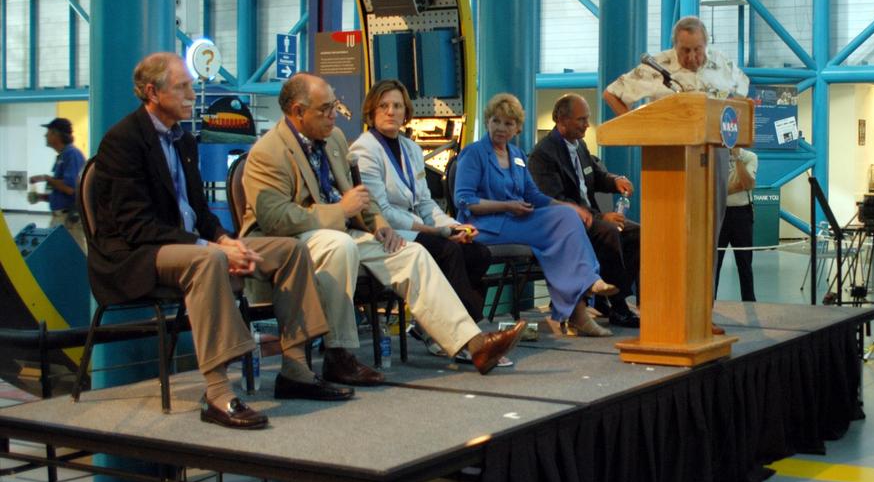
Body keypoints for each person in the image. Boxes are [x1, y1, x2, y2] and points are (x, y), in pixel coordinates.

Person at [91, 53, 341, 429]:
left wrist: (227, 240)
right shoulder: (123, 141)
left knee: (290, 250)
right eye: (182, 86)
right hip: (136, 255)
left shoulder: (184, 140)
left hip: (187, 244)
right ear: (151, 92)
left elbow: (202, 214)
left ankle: (295, 368)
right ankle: (218, 393)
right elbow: (136, 227)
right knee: (207, 262)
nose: (193, 93)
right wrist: (212, 249)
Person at [240, 73, 524, 376]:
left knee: (412, 253)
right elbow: (276, 219)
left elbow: (361, 194)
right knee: (342, 245)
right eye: (325, 109)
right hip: (293, 238)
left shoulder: (334, 138)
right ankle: (340, 354)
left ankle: (474, 344)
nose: (334, 115)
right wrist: (339, 211)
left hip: (345, 231)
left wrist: (378, 225)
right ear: (297, 111)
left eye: (334, 106)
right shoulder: (268, 152)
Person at [453, 93, 617, 337]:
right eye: (496, 121)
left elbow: (534, 196)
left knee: (566, 216)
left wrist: (567, 206)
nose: (500, 128)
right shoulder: (474, 153)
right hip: (485, 224)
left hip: (515, 219)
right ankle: (584, 292)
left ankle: (583, 299)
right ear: (488, 121)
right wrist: (507, 206)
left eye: (508, 123)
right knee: (557, 234)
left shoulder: (517, 156)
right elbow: (464, 199)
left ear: (517, 128)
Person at [603, 15, 749, 259]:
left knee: (709, 232)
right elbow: (612, 93)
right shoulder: (657, 67)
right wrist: (641, 129)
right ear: (675, 46)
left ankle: (704, 293)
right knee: (672, 229)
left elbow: (743, 91)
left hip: (714, 154)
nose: (692, 57)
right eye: (685, 51)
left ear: (706, 44)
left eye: (697, 50)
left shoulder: (721, 63)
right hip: (667, 158)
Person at [350, 80, 491, 324]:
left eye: (397, 105)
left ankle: (439, 328)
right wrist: (439, 232)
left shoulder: (411, 149)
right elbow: (382, 212)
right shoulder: (364, 150)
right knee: (449, 250)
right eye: (383, 106)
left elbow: (425, 203)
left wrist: (454, 227)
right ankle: (469, 329)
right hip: (388, 231)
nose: (391, 111)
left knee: (479, 253)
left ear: (406, 112)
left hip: (417, 227)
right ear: (372, 111)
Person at [527, 93, 641, 328]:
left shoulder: (580, 146)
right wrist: (601, 217)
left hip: (591, 218)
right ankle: (619, 308)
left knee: (638, 234)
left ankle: (607, 297)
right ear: (562, 120)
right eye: (581, 120)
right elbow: (556, 200)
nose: (587, 125)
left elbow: (596, 177)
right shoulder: (543, 155)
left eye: (587, 119)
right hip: (565, 223)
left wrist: (614, 180)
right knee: (609, 230)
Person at [29, 116, 86, 251]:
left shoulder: (71, 155)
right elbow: (60, 191)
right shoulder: (62, 156)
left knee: (75, 257)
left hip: (69, 219)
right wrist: (40, 197)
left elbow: (70, 188)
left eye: (48, 132)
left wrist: (46, 178)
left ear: (56, 134)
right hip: (58, 218)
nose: (45, 135)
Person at [715, 146, 758, 302]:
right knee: (715, 262)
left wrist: (737, 159)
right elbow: (710, 187)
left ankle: (749, 302)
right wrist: (734, 186)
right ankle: (709, 303)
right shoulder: (715, 157)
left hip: (742, 213)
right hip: (720, 212)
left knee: (745, 263)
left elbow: (747, 184)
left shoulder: (750, 157)